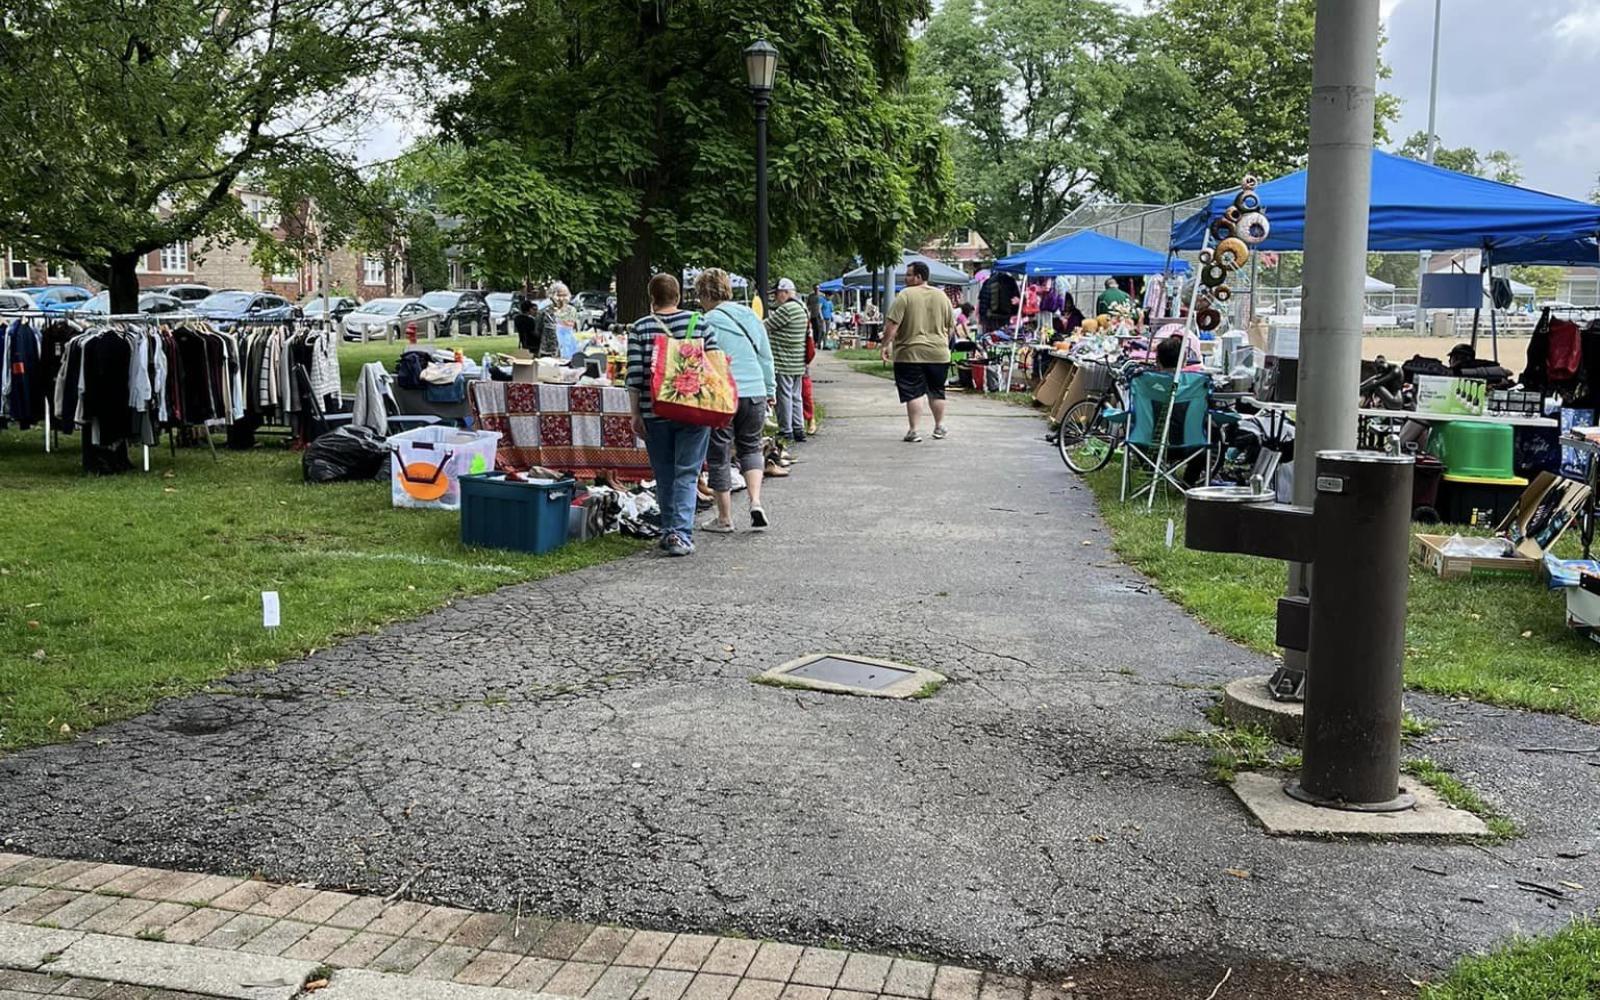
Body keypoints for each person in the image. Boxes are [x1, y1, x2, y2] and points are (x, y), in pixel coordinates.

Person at [627, 273, 719, 557]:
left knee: (664, 473)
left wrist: (635, 414)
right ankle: (681, 532)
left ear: (651, 298)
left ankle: (669, 531)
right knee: (688, 472)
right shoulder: (699, 323)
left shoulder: (640, 328)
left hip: (654, 411)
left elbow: (635, 376)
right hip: (694, 409)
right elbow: (715, 367)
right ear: (678, 296)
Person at [694, 268, 775, 534]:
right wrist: (770, 389)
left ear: (706, 293)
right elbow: (765, 356)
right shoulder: (751, 316)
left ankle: (725, 518)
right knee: (751, 448)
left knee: (719, 455)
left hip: (723, 394)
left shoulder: (705, 321)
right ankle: (755, 501)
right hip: (755, 390)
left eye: (699, 295)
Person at [880, 260, 953, 442]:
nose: (905, 278)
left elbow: (892, 324)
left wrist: (885, 345)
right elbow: (951, 327)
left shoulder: (905, 295)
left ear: (918, 277)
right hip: (939, 353)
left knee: (914, 392)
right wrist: (943, 343)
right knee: (937, 390)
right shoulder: (942, 296)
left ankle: (914, 430)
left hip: (910, 353)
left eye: (909, 274)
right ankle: (939, 426)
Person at [767, 277, 810, 443]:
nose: (776, 297)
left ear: (785, 292)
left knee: (784, 396)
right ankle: (799, 428)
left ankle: (786, 430)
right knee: (795, 395)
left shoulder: (786, 310)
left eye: (777, 293)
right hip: (797, 360)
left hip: (783, 359)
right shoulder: (802, 308)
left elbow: (767, 325)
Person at [807, 284, 826, 350]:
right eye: (815, 288)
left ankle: (818, 342)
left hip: (820, 315)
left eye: (817, 288)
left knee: (820, 329)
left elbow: (824, 304)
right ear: (813, 288)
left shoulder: (822, 296)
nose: (816, 289)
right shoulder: (810, 296)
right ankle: (815, 342)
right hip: (813, 314)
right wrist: (808, 313)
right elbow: (808, 305)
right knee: (814, 329)